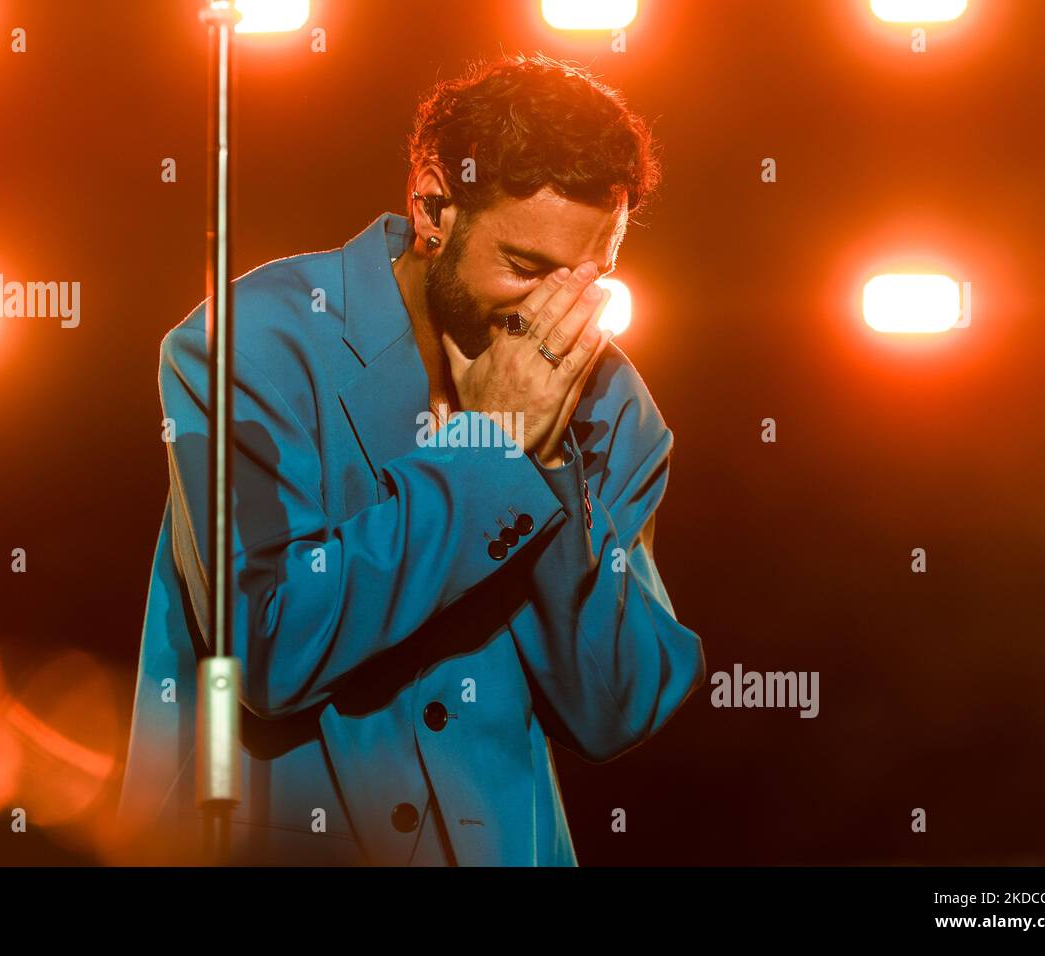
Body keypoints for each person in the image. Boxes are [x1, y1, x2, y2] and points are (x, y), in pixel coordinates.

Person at [117, 53, 705, 866]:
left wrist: (551, 459)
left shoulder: (610, 404)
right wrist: (491, 452)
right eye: (525, 268)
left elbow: (618, 705)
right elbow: (266, 647)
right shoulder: (248, 344)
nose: (554, 313)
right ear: (433, 202)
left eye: (587, 279)